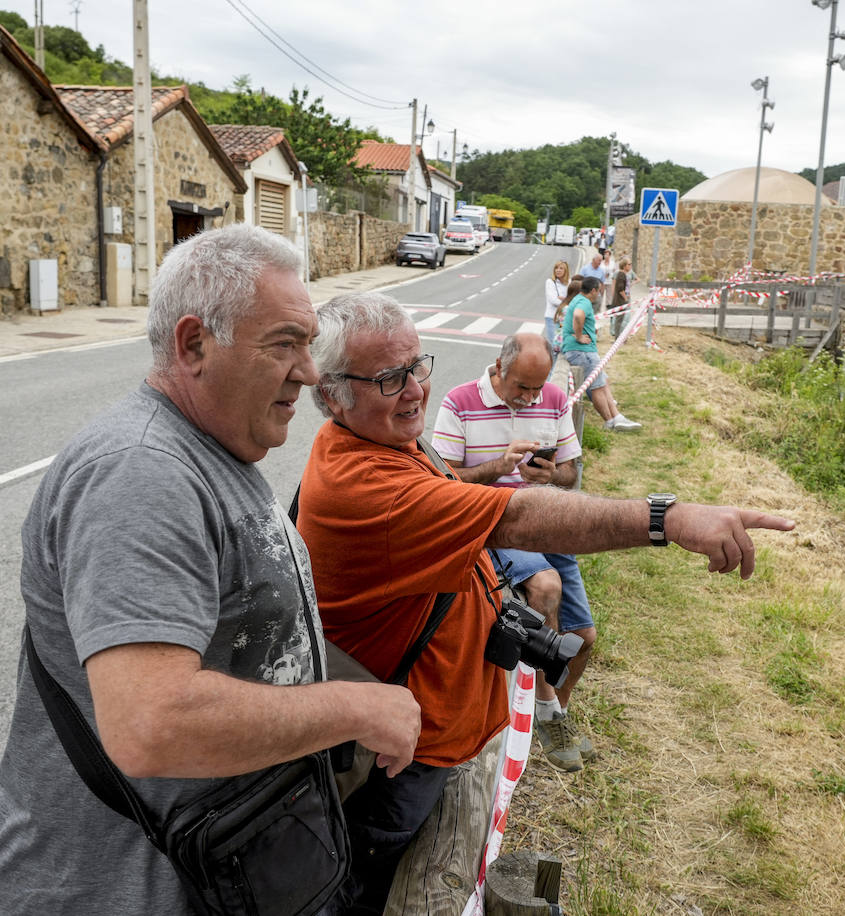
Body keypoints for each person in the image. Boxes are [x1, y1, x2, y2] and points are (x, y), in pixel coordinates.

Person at [0, 226, 420, 916]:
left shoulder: (213, 448)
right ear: (193, 344)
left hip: (201, 871)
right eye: (284, 344)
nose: (310, 372)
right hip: (100, 893)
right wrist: (356, 709)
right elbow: (152, 724)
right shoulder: (141, 472)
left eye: (309, 343)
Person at [297, 291, 795, 915]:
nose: (415, 390)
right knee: (373, 879)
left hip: (439, 730)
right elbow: (520, 515)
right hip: (412, 751)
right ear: (331, 393)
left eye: (417, 366)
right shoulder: (365, 483)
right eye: (389, 378)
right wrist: (670, 518)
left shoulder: (389, 440)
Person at [431, 332, 598, 772]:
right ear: (500, 367)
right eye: (521, 387)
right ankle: (544, 708)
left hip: (547, 521)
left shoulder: (555, 399)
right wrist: (497, 468)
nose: (529, 398)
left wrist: (548, 475)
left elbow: (569, 474)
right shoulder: (459, 401)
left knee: (584, 640)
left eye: (536, 388)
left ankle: (552, 718)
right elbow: (441, 484)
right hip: (495, 522)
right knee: (545, 587)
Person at [562, 276, 642, 430]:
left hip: (584, 351)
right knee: (596, 387)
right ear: (592, 290)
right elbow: (578, 315)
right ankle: (610, 421)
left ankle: (617, 417)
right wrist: (578, 336)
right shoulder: (584, 302)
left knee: (603, 383)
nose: (599, 294)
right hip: (582, 352)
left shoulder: (578, 299)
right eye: (598, 291)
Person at [542, 259, 570, 350]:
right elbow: (553, 300)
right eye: (556, 268)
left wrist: (562, 299)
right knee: (553, 345)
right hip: (552, 318)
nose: (558, 270)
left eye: (561, 268)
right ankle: (552, 364)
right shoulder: (550, 282)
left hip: (564, 319)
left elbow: (572, 298)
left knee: (561, 344)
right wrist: (566, 301)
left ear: (566, 271)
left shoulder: (569, 283)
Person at [609, 256, 634, 338]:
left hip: (622, 299)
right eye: (629, 264)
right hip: (621, 300)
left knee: (622, 319)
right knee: (619, 320)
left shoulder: (624, 274)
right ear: (624, 266)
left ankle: (620, 336)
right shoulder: (621, 274)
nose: (630, 266)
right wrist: (625, 298)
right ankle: (617, 337)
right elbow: (620, 289)